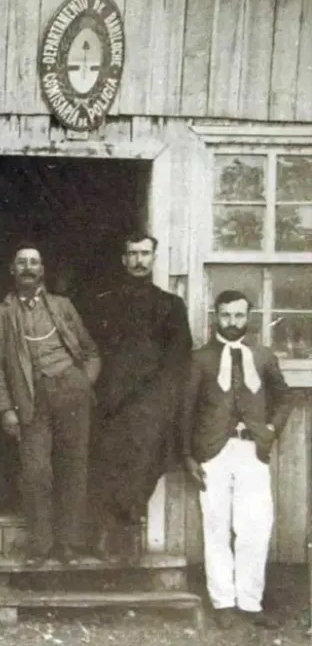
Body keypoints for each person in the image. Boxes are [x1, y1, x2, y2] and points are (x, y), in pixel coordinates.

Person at [0, 242, 100, 566]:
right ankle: (41, 547)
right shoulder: (2, 314)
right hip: (30, 399)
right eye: (22, 262)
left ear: (42, 271)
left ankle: (69, 545)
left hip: (71, 394)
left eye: (34, 262)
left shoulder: (62, 306)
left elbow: (91, 351)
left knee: (73, 468)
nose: (28, 268)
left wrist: (82, 382)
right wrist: (6, 409)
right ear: (12, 270)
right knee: (37, 473)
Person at [181, 289, 292, 630]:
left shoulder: (262, 356)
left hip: (252, 450)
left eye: (239, 315)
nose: (232, 322)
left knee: (255, 527)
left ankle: (250, 600)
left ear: (249, 317)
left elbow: (283, 397)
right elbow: (185, 411)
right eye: (226, 315)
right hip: (213, 452)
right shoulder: (200, 358)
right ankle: (223, 602)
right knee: (216, 526)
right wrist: (187, 455)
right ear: (216, 316)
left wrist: (272, 428)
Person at [85, 232, 192, 562]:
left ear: (154, 258)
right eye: (132, 254)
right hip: (110, 401)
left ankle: (128, 533)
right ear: (123, 259)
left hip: (151, 403)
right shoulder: (104, 301)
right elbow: (90, 349)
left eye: (145, 254)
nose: (139, 260)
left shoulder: (170, 306)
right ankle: (105, 533)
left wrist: (160, 402)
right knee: (106, 462)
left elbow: (178, 357)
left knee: (144, 463)